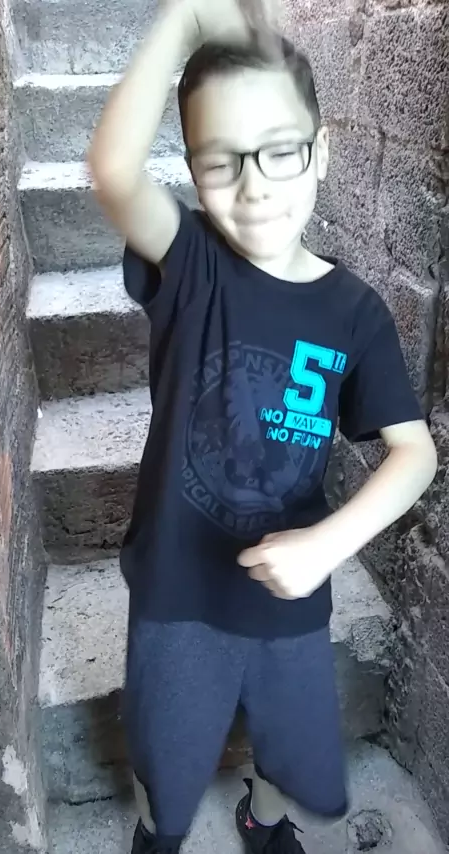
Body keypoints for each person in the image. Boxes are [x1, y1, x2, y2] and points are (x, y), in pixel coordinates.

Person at [88, 1, 438, 852]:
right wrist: (182, 21)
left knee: (291, 748)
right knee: (166, 756)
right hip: (177, 585)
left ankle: (263, 819)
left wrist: (328, 545)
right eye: (220, 162)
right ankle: (158, 834)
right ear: (192, 170)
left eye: (281, 150)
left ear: (322, 149)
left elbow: (414, 452)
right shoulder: (191, 264)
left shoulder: (355, 313)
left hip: (291, 590)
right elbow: (112, 171)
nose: (254, 187)